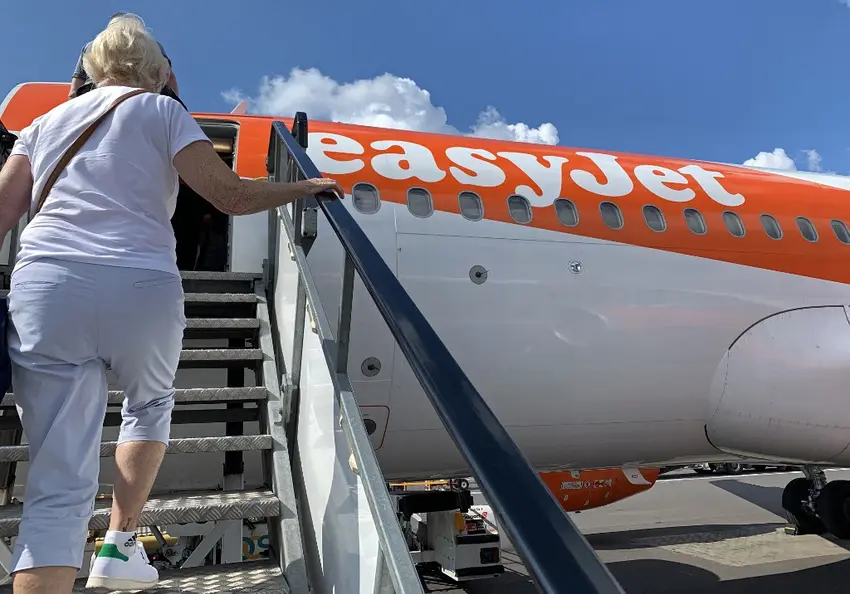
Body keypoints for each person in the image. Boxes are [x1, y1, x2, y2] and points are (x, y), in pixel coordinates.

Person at [0, 15, 342, 594]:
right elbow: (230, 196)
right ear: (160, 73)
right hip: (140, 283)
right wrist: (302, 187)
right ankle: (120, 543)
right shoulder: (163, 111)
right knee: (150, 404)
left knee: (55, 488)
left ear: (90, 69)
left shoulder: (42, 125)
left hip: (48, 286)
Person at [69, 12, 180, 101]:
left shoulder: (90, 46)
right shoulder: (153, 46)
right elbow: (169, 77)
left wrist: (75, 109)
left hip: (93, 95)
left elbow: (74, 90)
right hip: (144, 96)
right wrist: (173, 104)